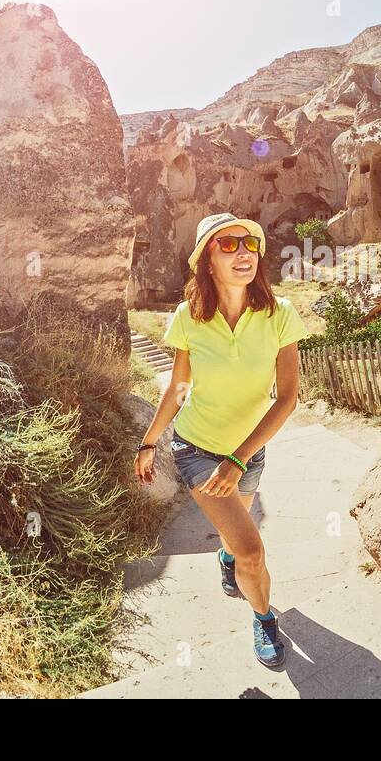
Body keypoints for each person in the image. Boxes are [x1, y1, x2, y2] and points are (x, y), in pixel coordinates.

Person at [133, 212, 310, 668]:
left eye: (249, 244)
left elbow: (287, 399)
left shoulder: (279, 315)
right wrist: (149, 441)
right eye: (227, 245)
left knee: (237, 540)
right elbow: (177, 388)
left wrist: (240, 457)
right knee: (252, 549)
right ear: (207, 261)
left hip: (247, 454)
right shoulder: (188, 318)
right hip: (197, 450)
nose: (242, 253)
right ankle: (264, 618)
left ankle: (227, 560)